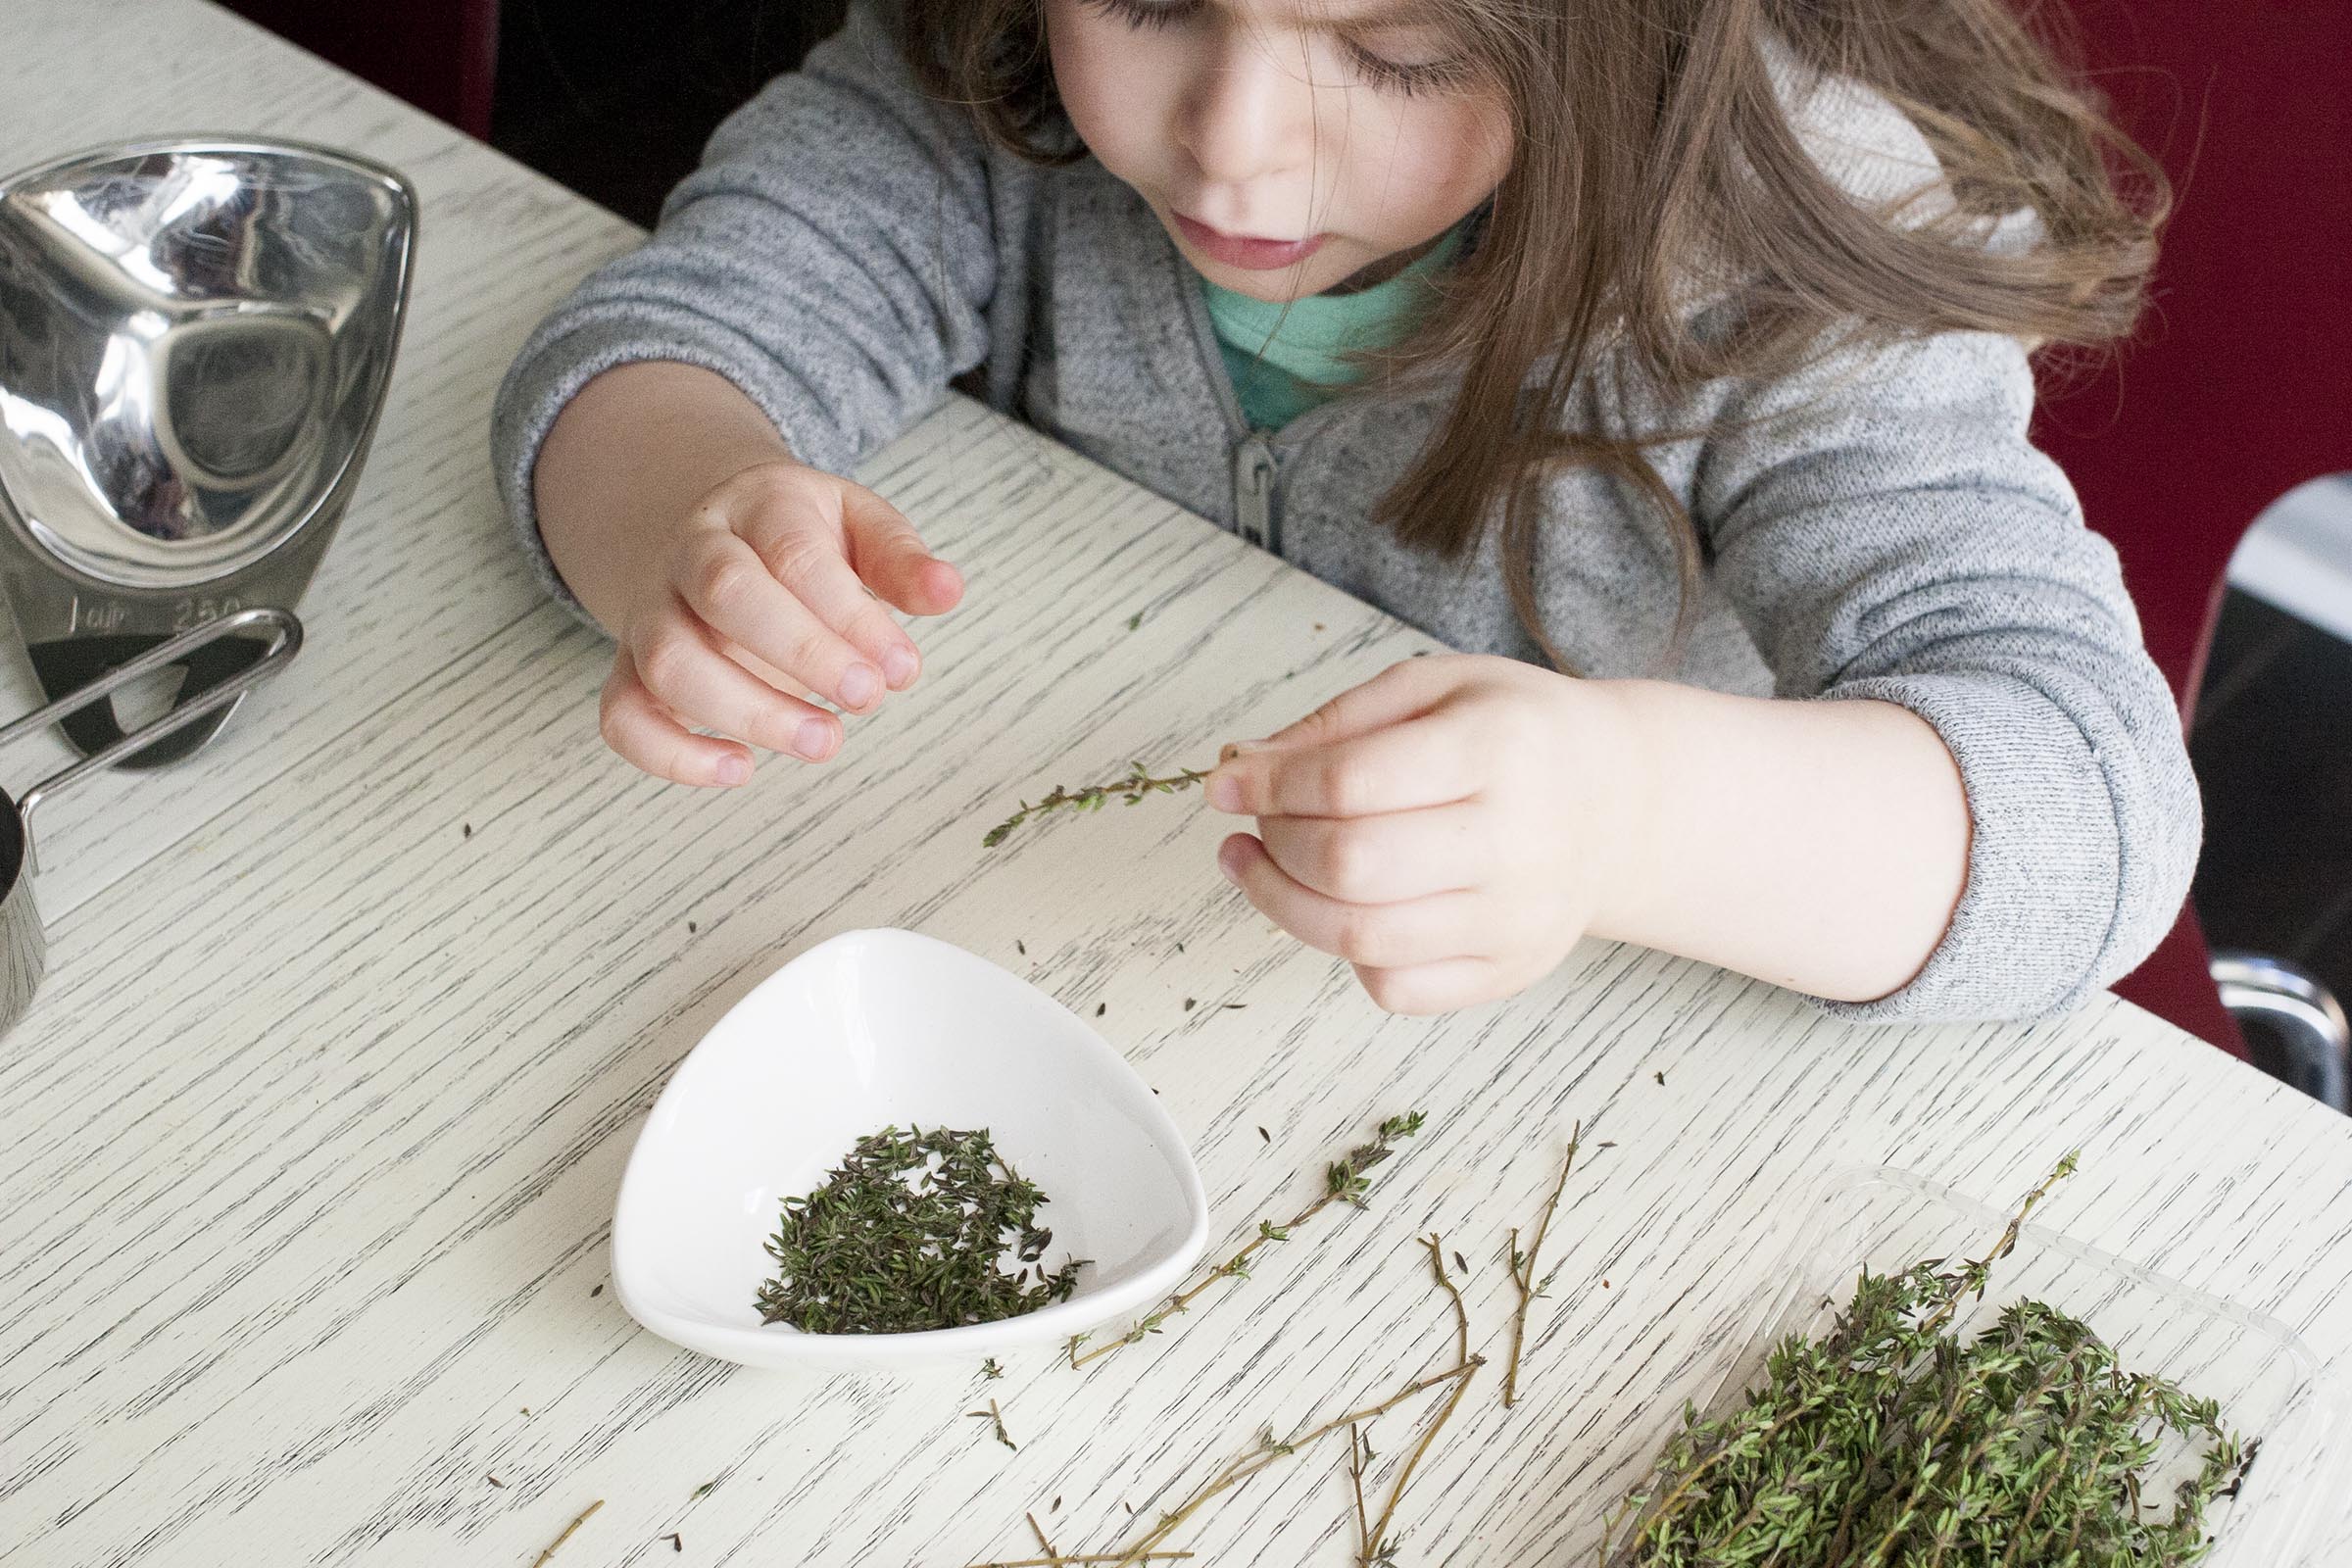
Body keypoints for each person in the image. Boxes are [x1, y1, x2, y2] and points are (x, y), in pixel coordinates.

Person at [492, 0, 2195, 1023]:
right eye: (1151, 0)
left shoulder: (1786, 249)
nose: (1233, 150)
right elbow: (663, 342)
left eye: (1398, 51)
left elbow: (2101, 813)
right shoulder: (984, 71)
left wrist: (1620, 814)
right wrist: (689, 526)